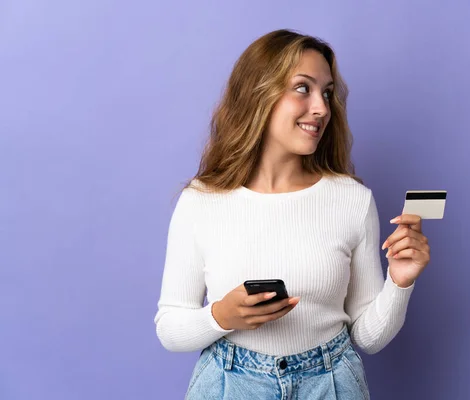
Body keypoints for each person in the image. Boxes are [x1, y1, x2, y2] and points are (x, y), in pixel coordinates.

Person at [154, 29, 431, 399]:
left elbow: (369, 337)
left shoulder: (353, 200)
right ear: (258, 94)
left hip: (331, 383)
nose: (321, 108)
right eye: (303, 88)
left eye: (327, 93)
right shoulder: (201, 201)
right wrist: (220, 316)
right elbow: (170, 327)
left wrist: (400, 282)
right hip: (230, 384)